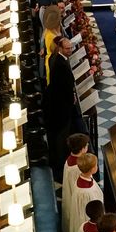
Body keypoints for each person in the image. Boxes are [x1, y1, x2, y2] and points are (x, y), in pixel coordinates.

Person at [44, 36, 80, 181]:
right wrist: (70, 97)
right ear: (60, 48)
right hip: (60, 107)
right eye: (67, 48)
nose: (70, 50)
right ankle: (59, 165)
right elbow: (62, 87)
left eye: (71, 48)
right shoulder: (60, 64)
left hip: (57, 102)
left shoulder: (55, 58)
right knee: (61, 134)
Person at [67, 154, 102, 232]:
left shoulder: (84, 178)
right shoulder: (86, 192)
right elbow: (90, 208)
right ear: (93, 169)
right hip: (86, 216)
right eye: (96, 165)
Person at [62, 133, 90, 232]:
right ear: (83, 149)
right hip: (78, 203)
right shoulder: (76, 168)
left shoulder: (70, 160)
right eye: (86, 145)